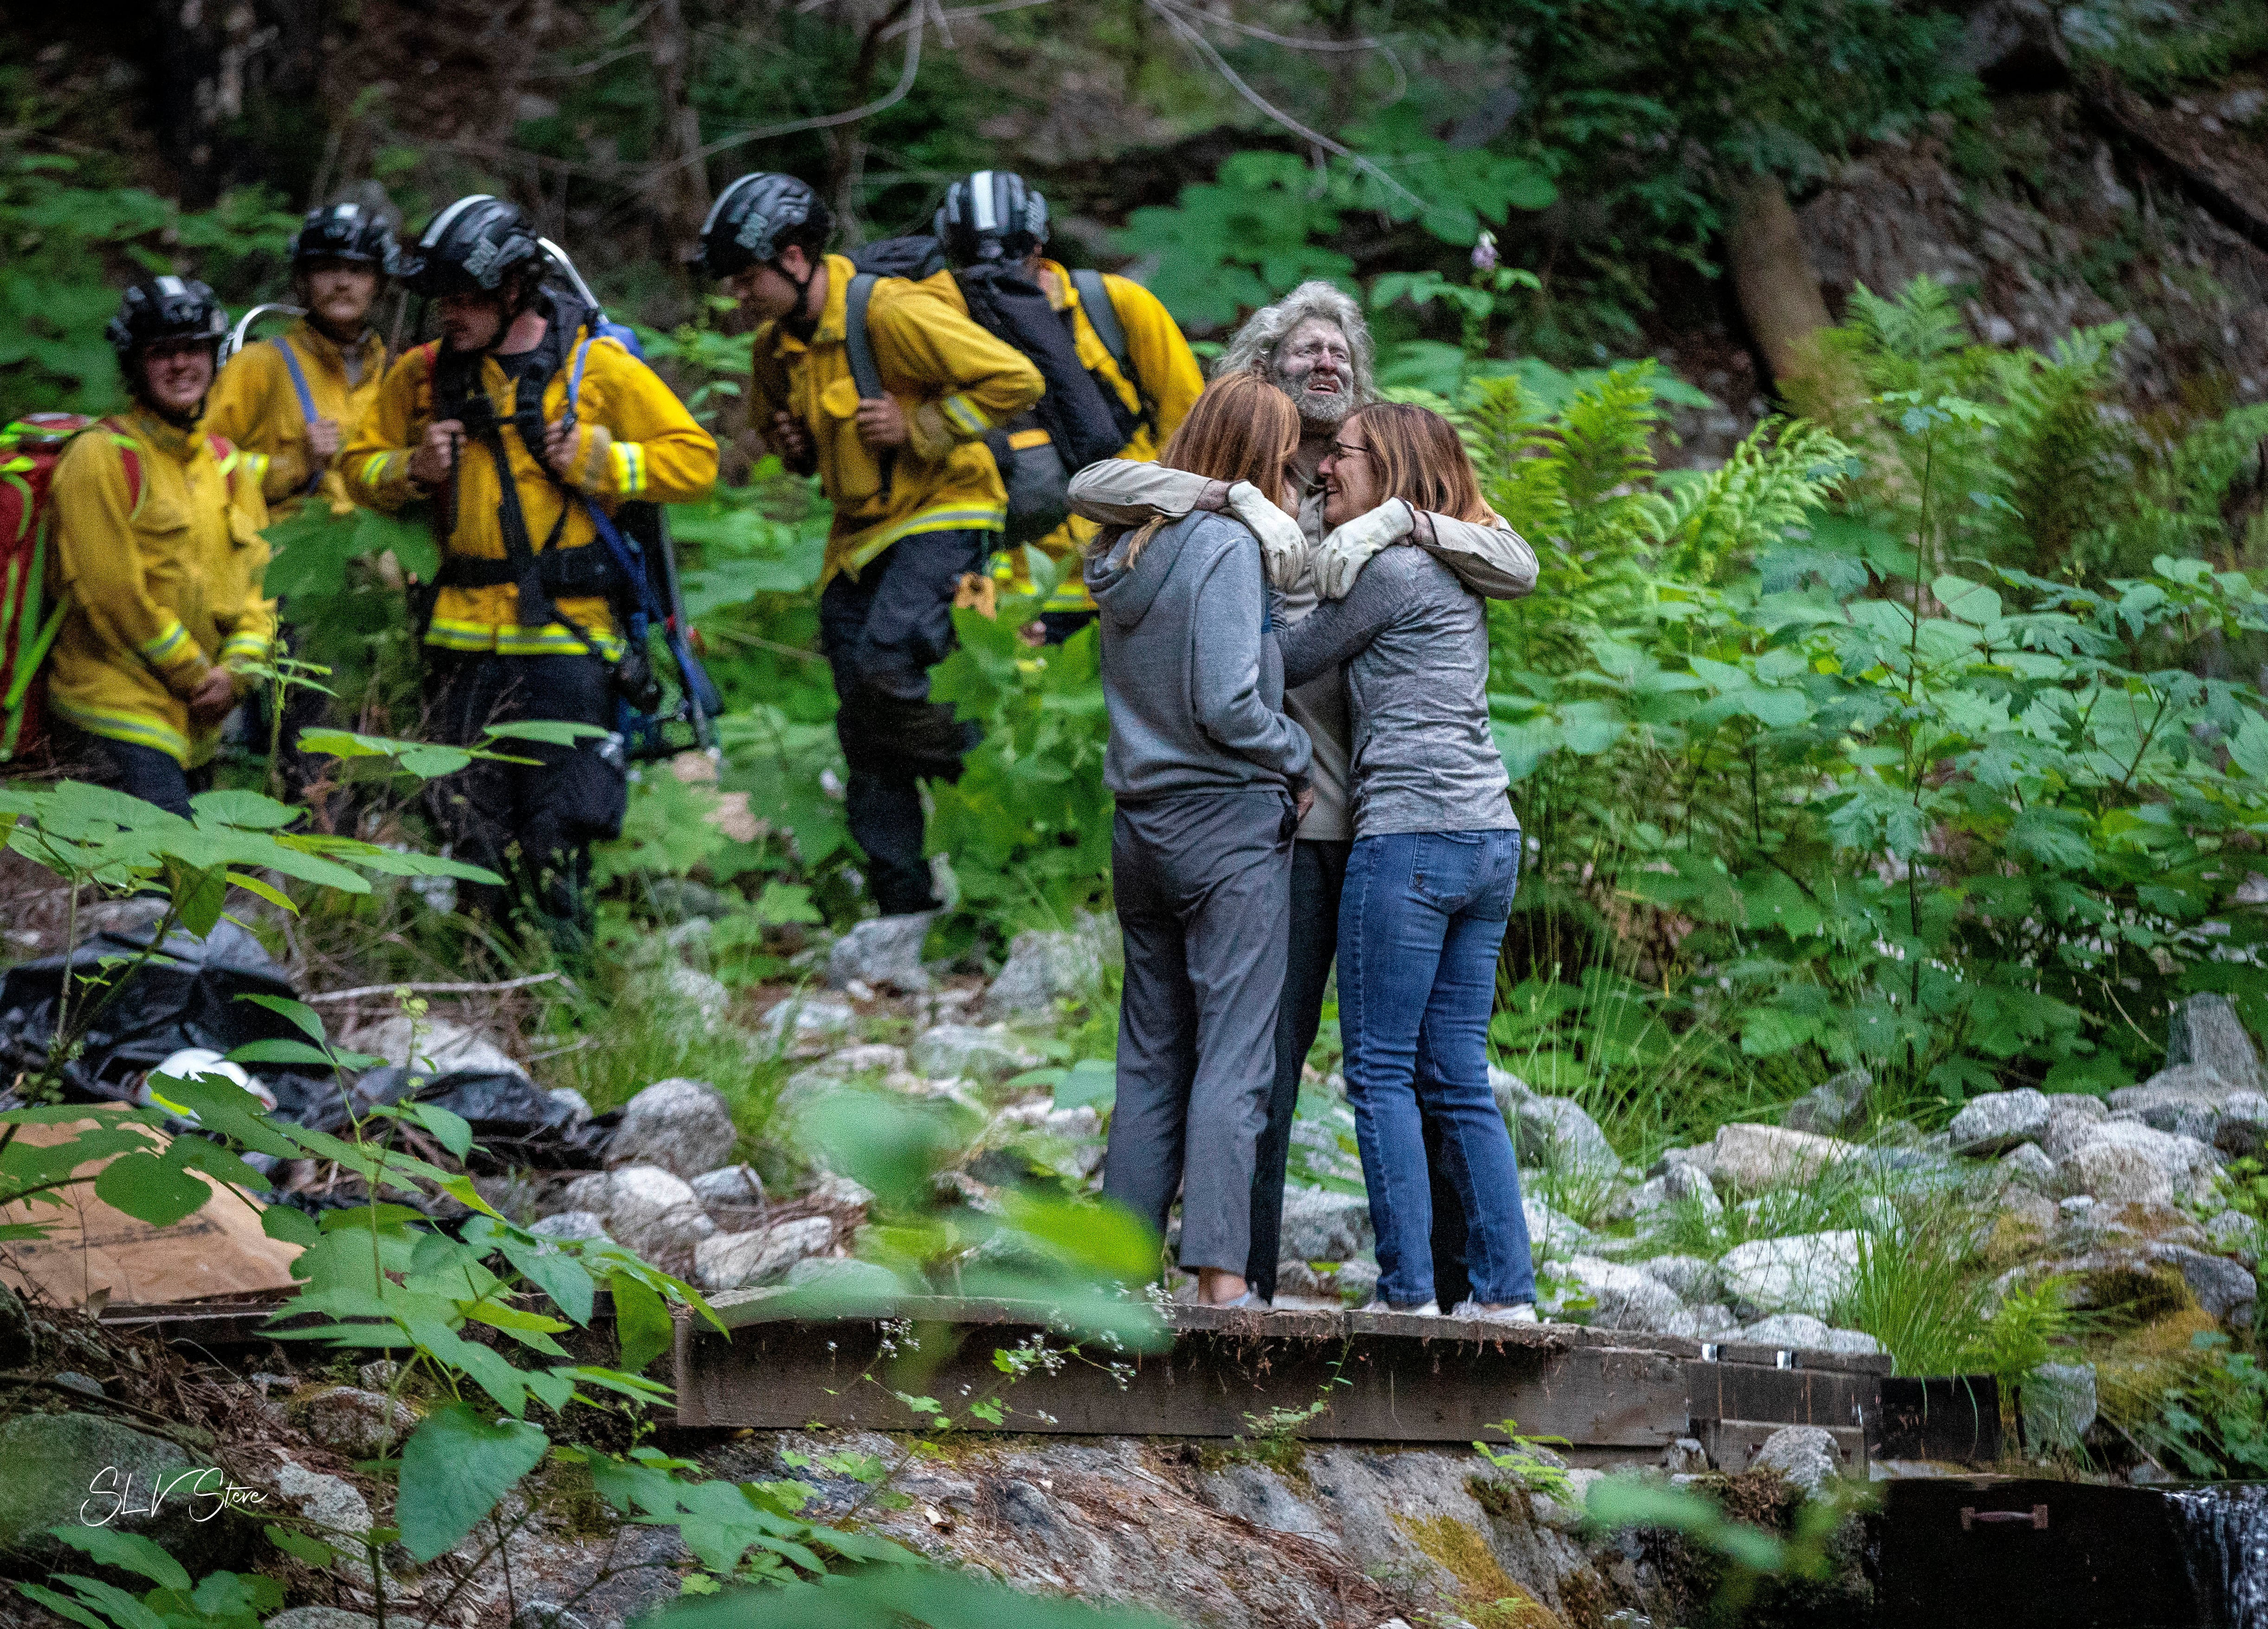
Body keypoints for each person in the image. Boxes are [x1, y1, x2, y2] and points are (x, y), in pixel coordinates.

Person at [1067, 279, 1537, 1304]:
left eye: (1338, 350)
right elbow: (1097, 483)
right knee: (1265, 1059)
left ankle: (1456, 1283)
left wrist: (1399, 524)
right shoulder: (1241, 486)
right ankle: (1250, 1277)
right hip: (1278, 807)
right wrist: (1231, 496)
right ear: (1263, 371)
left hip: (1376, 814)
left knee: (1408, 1061)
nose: (1324, 363)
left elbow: (1512, 556)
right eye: (1303, 350)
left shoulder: (1380, 481)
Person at [343, 195, 718, 952]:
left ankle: (567, 985)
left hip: (567, 638)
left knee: (559, 826)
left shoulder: (594, 366)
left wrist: (606, 461)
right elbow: (357, 466)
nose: (451, 313)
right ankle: (487, 982)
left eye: (468, 297)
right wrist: (408, 469)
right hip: (458, 638)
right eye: (443, 299)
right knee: (467, 823)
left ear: (516, 287)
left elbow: (696, 460)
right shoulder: (420, 375)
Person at [700, 172, 1044, 934]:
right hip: (856, 537)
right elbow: (776, 438)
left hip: (947, 506)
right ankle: (901, 906)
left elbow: (1015, 380)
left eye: (749, 277)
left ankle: (994, 777)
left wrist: (921, 423)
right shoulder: (775, 349)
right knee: (860, 716)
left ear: (794, 258)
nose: (740, 295)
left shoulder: (889, 311)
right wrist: (790, 447)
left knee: (889, 663)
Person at [1278, 401, 1536, 1321]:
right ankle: (1506, 1296)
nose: (1323, 470)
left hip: (1410, 837)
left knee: (1380, 1068)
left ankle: (1409, 1294)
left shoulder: (1388, 569)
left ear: (1385, 464)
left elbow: (1287, 659)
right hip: (1488, 835)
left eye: (1340, 456)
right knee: (1456, 1070)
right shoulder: (1450, 562)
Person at [1085, 372, 1313, 1309]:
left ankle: (1116, 1272)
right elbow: (1227, 701)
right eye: (1290, 457)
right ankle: (1221, 1279)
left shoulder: (1127, 546)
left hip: (1138, 827)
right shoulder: (1224, 547)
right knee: (1235, 1052)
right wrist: (1295, 751)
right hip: (1223, 826)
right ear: (1264, 461)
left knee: (1149, 1053)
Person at [931, 170, 1204, 643]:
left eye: (1014, 249)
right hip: (1009, 594)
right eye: (971, 255)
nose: (992, 268)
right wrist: (979, 617)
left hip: (1127, 574)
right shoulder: (936, 328)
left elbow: (1194, 426)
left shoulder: (1113, 306)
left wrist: (1167, 550)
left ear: (1039, 242)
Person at [44, 277, 275, 818]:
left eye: (194, 349)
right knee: (151, 890)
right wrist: (197, 675)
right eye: (161, 353)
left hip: (199, 722)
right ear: (135, 364)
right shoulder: (99, 457)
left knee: (194, 888)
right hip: (114, 709)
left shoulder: (229, 465)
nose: (180, 365)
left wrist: (238, 671)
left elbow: (262, 589)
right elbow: (112, 595)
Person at [206, 201, 394, 517]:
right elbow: (199, 465)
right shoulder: (260, 364)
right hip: (287, 551)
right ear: (302, 280)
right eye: (326, 268)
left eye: (358, 270)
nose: (342, 282)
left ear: (380, 283)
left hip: (375, 554)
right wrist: (295, 466)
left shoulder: (395, 372)